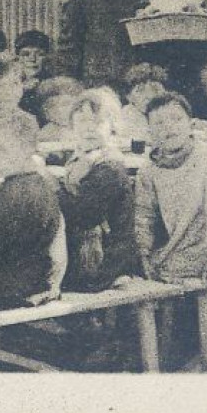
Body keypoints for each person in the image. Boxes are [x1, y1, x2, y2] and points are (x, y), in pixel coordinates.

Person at [0, 109, 64, 311]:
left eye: (1, 150)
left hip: (6, 289)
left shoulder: (13, 195)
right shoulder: (39, 182)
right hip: (31, 280)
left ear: (28, 148)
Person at [134, 93, 207, 284]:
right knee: (144, 272)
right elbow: (143, 214)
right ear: (149, 132)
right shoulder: (148, 169)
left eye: (177, 119)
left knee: (168, 273)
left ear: (191, 124)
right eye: (159, 123)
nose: (169, 127)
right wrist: (143, 253)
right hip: (173, 247)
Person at [57, 95, 141, 292]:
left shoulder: (109, 166)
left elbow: (83, 214)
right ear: (71, 126)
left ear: (112, 126)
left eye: (98, 121)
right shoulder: (81, 158)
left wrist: (51, 187)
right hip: (89, 248)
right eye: (82, 121)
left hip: (105, 260)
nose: (90, 128)